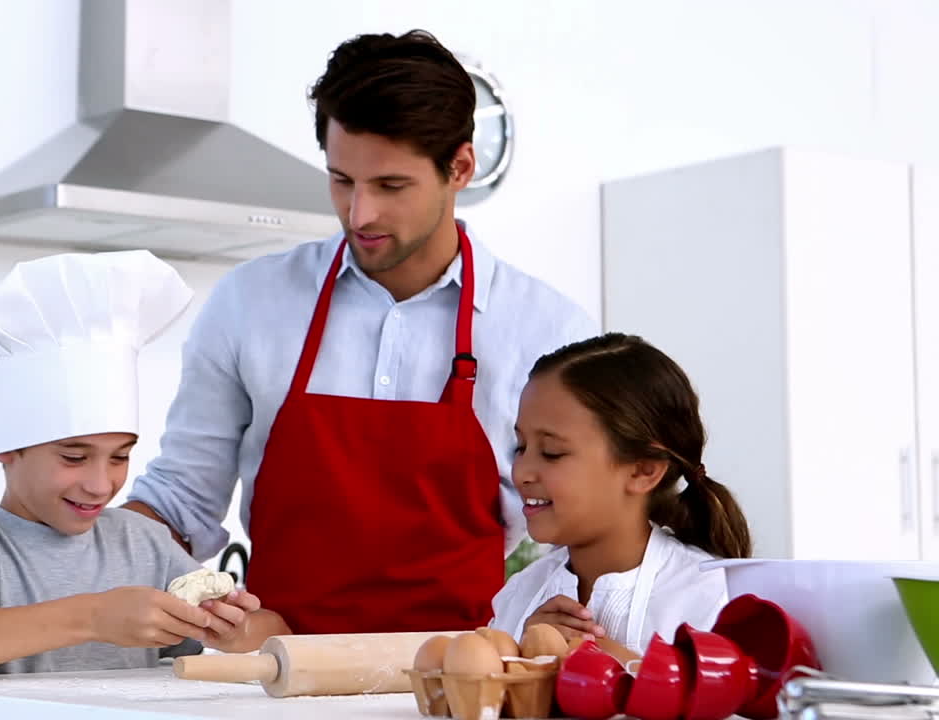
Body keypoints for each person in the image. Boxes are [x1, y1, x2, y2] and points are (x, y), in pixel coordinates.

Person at [123, 30, 596, 634]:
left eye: (390, 186)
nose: (359, 214)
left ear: (460, 167)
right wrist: (45, 538)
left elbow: (581, 528)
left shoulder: (548, 330)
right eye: (342, 180)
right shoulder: (251, 302)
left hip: (462, 673)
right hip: (275, 669)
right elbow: (181, 499)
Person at [0, 251, 288, 682]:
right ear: (7, 451)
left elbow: (277, 633)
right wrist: (92, 616)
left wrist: (232, 630)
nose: (100, 484)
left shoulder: (142, 543)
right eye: (74, 457)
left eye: (120, 456)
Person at [490, 333, 752, 653]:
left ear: (643, 470)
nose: (521, 472)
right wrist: (521, 655)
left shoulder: (714, 601)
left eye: (552, 452)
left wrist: (603, 657)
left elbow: (729, 700)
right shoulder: (519, 596)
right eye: (521, 447)